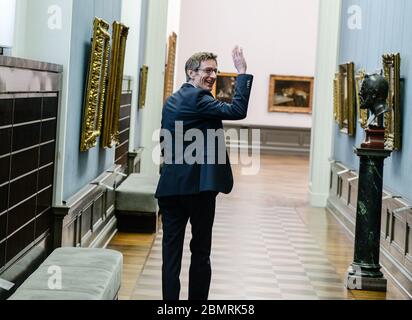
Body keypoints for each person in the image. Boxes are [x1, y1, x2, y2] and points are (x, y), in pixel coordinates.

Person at [155, 46, 253, 300]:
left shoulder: (172, 100)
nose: (212, 75)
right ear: (191, 72)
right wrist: (242, 73)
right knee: (200, 252)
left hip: (169, 189)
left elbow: (167, 144)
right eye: (207, 70)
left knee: (171, 256)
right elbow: (237, 111)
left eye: (215, 71)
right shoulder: (199, 99)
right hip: (197, 190)